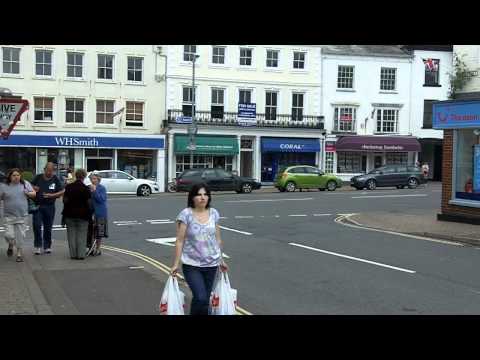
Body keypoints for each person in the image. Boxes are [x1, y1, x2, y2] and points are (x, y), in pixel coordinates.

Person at [171, 183, 228, 315]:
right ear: (192, 197)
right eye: (199, 194)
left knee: (204, 301)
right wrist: (175, 264)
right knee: (200, 297)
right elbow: (180, 240)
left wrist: (221, 260)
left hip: (212, 264)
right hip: (192, 265)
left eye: (205, 194)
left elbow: (217, 239)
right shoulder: (186, 214)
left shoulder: (214, 213)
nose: (203, 197)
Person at [0, 169, 36, 262]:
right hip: (8, 215)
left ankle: (19, 254)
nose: (16, 177)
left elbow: (34, 194)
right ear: (10, 177)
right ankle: (11, 244)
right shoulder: (4, 186)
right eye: (14, 175)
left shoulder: (25, 184)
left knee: (20, 236)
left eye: (18, 175)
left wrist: (28, 193)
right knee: (9, 235)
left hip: (22, 215)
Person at [31, 163, 65, 255]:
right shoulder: (38, 177)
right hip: (37, 206)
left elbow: (62, 191)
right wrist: (33, 188)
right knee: (37, 226)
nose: (50, 172)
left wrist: (52, 195)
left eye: (52, 170)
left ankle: (47, 246)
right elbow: (29, 186)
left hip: (50, 206)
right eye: (48, 170)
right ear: (44, 169)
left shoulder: (55, 179)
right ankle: (38, 246)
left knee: (48, 227)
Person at [62, 169, 92, 260]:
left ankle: (73, 254)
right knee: (82, 235)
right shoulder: (86, 189)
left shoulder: (69, 187)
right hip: (83, 215)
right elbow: (89, 203)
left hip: (69, 214)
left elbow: (65, 201)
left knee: (71, 235)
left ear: (75, 176)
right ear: (84, 177)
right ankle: (81, 255)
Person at [88, 173, 108, 256]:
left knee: (99, 232)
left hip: (100, 213)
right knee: (91, 232)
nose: (93, 180)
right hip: (91, 212)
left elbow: (101, 200)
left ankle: (98, 249)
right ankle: (91, 248)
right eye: (92, 179)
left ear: (98, 180)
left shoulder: (102, 188)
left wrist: (95, 191)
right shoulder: (88, 188)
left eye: (95, 179)